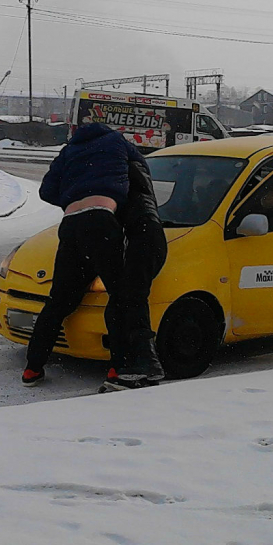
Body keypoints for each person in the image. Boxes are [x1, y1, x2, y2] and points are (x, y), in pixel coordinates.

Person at [22, 122, 144, 386]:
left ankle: (33, 367)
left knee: (59, 301)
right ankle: (118, 366)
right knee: (119, 295)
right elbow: (141, 167)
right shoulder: (116, 141)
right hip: (101, 220)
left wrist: (74, 195)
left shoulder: (69, 150)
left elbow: (46, 191)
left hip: (70, 224)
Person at [101, 157, 167, 391]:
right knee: (123, 301)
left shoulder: (121, 182)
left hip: (143, 238)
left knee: (131, 300)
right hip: (149, 236)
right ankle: (129, 365)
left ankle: (145, 365)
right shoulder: (136, 176)